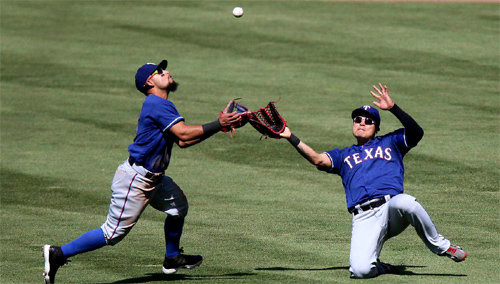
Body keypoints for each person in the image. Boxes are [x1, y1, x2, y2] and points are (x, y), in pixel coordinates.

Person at [42, 59, 242, 283]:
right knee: (112, 233)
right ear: (150, 81)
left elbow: (183, 141)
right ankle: (58, 253)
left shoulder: (163, 104)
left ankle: (172, 257)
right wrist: (219, 123)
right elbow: (185, 134)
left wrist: (221, 126)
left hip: (153, 179)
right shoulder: (156, 104)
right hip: (135, 180)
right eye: (160, 71)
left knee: (178, 207)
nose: (166, 71)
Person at [278, 83, 467, 278]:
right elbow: (317, 159)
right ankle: (381, 266)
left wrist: (393, 108)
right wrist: (290, 136)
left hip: (392, 210)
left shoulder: (391, 142)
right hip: (364, 218)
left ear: (376, 128)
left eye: (368, 121)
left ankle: (442, 247)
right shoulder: (343, 156)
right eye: (357, 119)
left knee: (407, 202)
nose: (361, 123)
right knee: (360, 271)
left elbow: (416, 133)